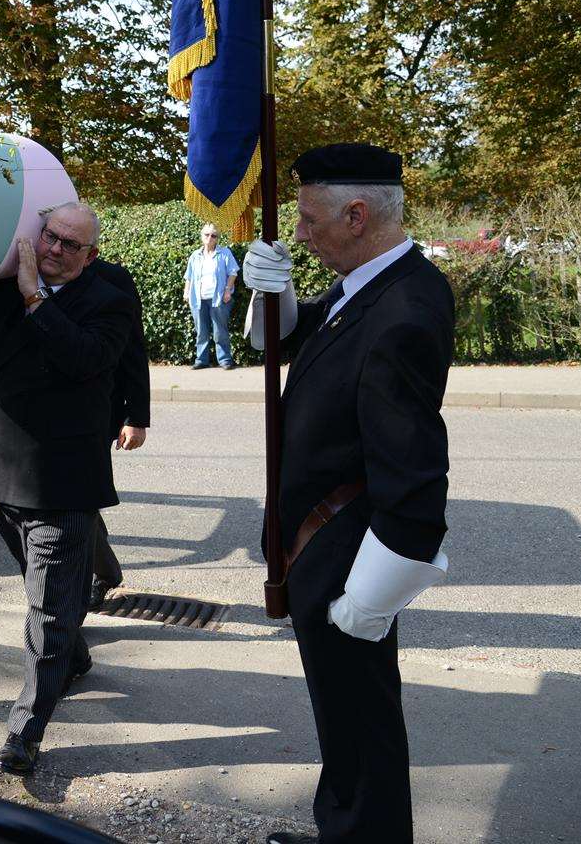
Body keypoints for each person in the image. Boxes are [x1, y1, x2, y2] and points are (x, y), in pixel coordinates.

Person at [240, 143, 454, 844]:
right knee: (346, 716)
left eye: (308, 219)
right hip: (326, 541)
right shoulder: (373, 283)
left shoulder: (402, 313)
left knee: (360, 719)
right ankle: (350, 832)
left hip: (348, 553)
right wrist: (272, 297)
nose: (300, 232)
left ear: (357, 215)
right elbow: (305, 343)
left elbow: (416, 477)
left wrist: (373, 594)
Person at [0, 202, 132, 775]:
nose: (55, 250)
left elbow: (84, 359)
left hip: (65, 479)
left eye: (71, 245)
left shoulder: (110, 298)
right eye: (51, 237)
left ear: (90, 255)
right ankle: (71, 654)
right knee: (50, 597)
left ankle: (26, 728)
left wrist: (35, 297)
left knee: (45, 609)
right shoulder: (3, 290)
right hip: (4, 470)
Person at [88, 258, 151, 608]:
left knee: (80, 500)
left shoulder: (112, 279)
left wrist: (136, 417)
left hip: (100, 413)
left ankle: (97, 575)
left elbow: (133, 349)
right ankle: (103, 569)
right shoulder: (27, 276)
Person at [184, 222, 240, 369]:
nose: (210, 238)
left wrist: (227, 290)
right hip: (198, 299)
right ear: (202, 236)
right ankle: (201, 361)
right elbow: (189, 276)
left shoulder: (224, 253)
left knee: (219, 331)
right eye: (207, 234)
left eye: (214, 235)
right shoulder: (195, 256)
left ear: (217, 238)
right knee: (201, 332)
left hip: (219, 299)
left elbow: (233, 272)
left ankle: (225, 360)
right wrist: (186, 292)